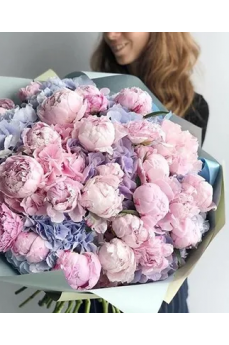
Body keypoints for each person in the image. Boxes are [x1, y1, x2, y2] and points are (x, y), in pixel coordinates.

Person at [79, 32, 209, 314]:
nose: (111, 36)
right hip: (96, 280)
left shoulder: (192, 106)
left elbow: (185, 209)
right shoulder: (92, 97)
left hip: (156, 283)